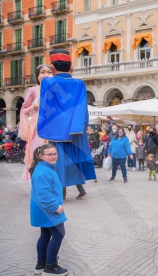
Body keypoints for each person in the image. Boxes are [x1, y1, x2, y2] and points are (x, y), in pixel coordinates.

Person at [37, 49, 96, 200]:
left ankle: (61, 194)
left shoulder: (47, 82)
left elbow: (45, 105)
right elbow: (83, 106)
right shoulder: (79, 83)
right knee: (74, 160)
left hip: (55, 129)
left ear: (52, 67)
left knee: (57, 160)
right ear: (71, 67)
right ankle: (80, 188)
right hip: (75, 129)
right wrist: (83, 125)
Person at [29, 144, 68, 276]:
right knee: (58, 234)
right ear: (41, 156)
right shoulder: (43, 171)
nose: (53, 156)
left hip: (43, 210)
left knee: (45, 234)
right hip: (48, 210)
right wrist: (56, 207)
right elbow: (43, 195)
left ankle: (41, 265)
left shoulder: (45, 168)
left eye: (55, 154)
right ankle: (50, 267)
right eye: (49, 154)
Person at [18, 64, 53, 180]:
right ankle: (37, 181)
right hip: (38, 125)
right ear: (37, 76)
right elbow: (24, 109)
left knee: (53, 152)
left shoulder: (57, 89)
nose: (46, 75)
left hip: (54, 124)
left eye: (49, 72)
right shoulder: (33, 90)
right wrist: (33, 106)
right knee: (38, 151)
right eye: (42, 72)